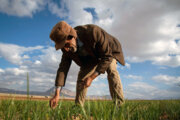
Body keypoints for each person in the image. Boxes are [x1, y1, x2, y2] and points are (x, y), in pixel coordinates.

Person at [49, 21, 125, 109]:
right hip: (90, 57)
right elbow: (63, 68)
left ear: (72, 37)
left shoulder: (93, 32)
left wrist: (92, 77)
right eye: (62, 47)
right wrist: (57, 94)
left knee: (112, 70)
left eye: (66, 44)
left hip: (108, 52)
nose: (66, 49)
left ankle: (119, 106)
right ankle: (78, 107)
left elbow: (107, 57)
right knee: (82, 78)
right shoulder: (66, 49)